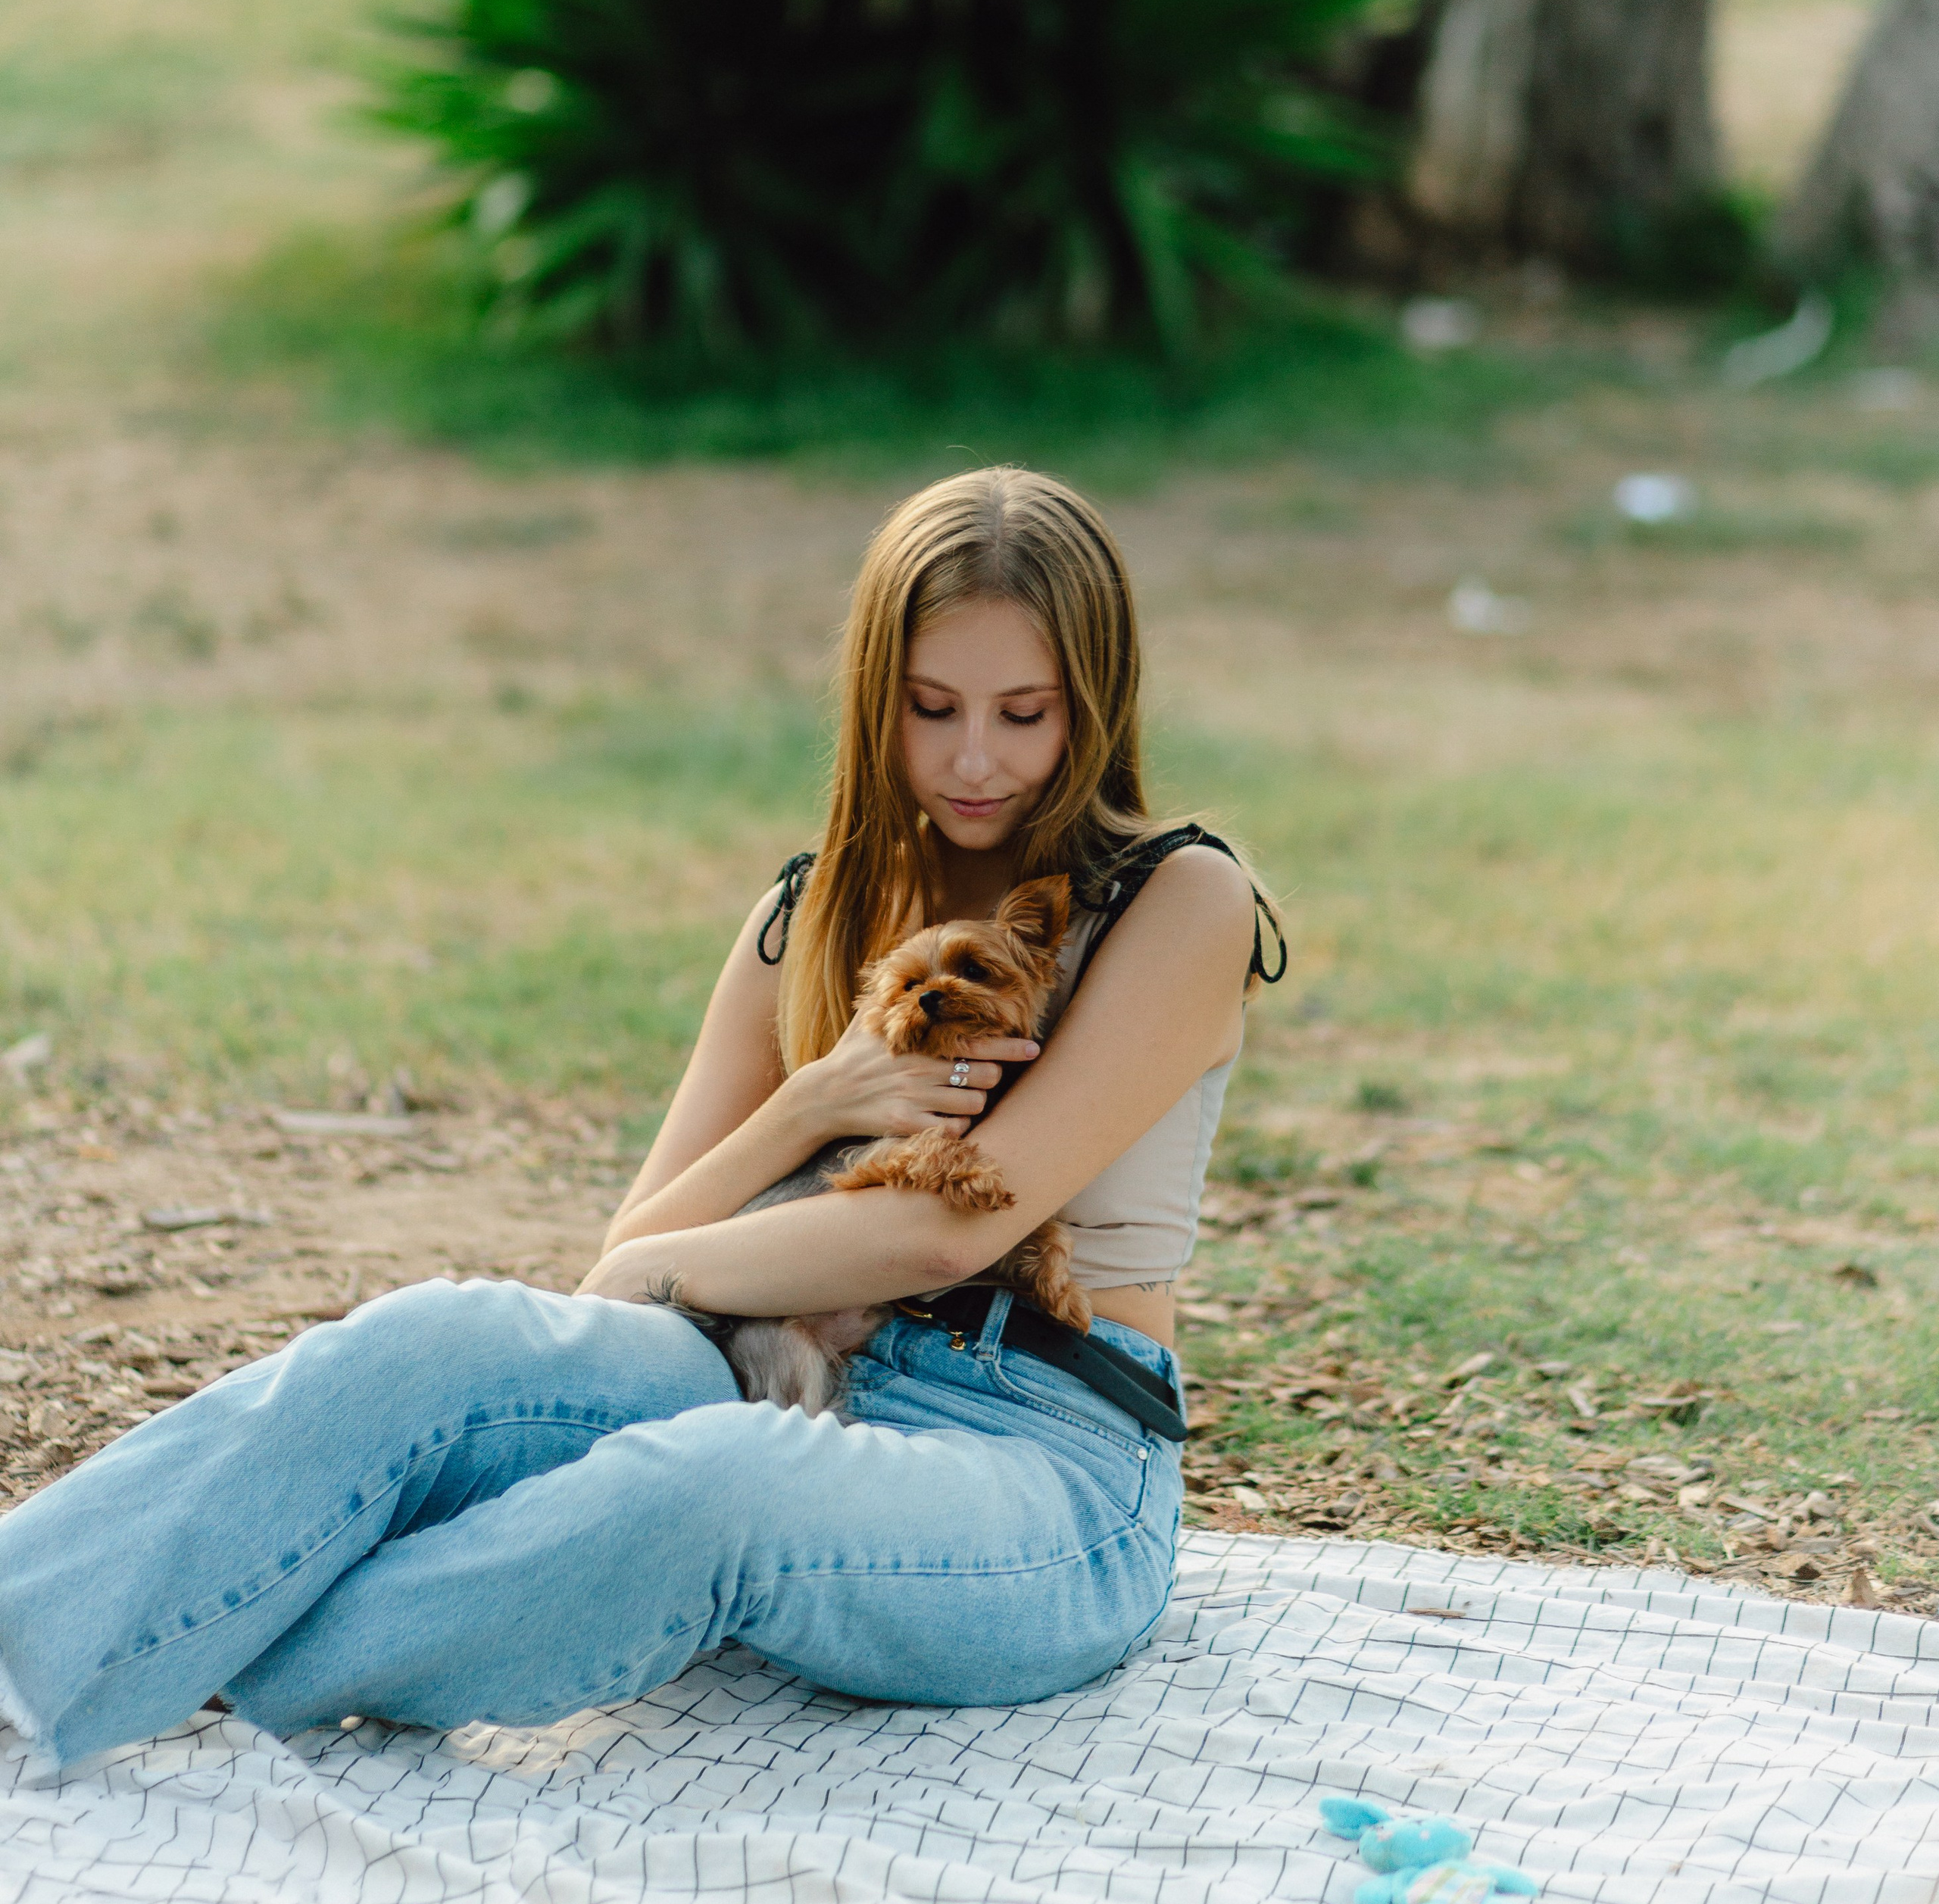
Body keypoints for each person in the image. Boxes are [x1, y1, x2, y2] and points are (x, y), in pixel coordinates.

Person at [0, 467, 1282, 1769]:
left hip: (1043, 1460)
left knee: (706, 1483)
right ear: (873, 701)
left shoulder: (1177, 902)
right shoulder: (816, 912)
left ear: (1094, 703)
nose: (971, 758)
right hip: (767, 1360)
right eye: (931, 707)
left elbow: (942, 1233)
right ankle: (19, 1654)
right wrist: (808, 1104)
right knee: (428, 1343)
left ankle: (228, 1665)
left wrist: (658, 1268)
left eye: (1024, 714)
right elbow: (633, 1260)